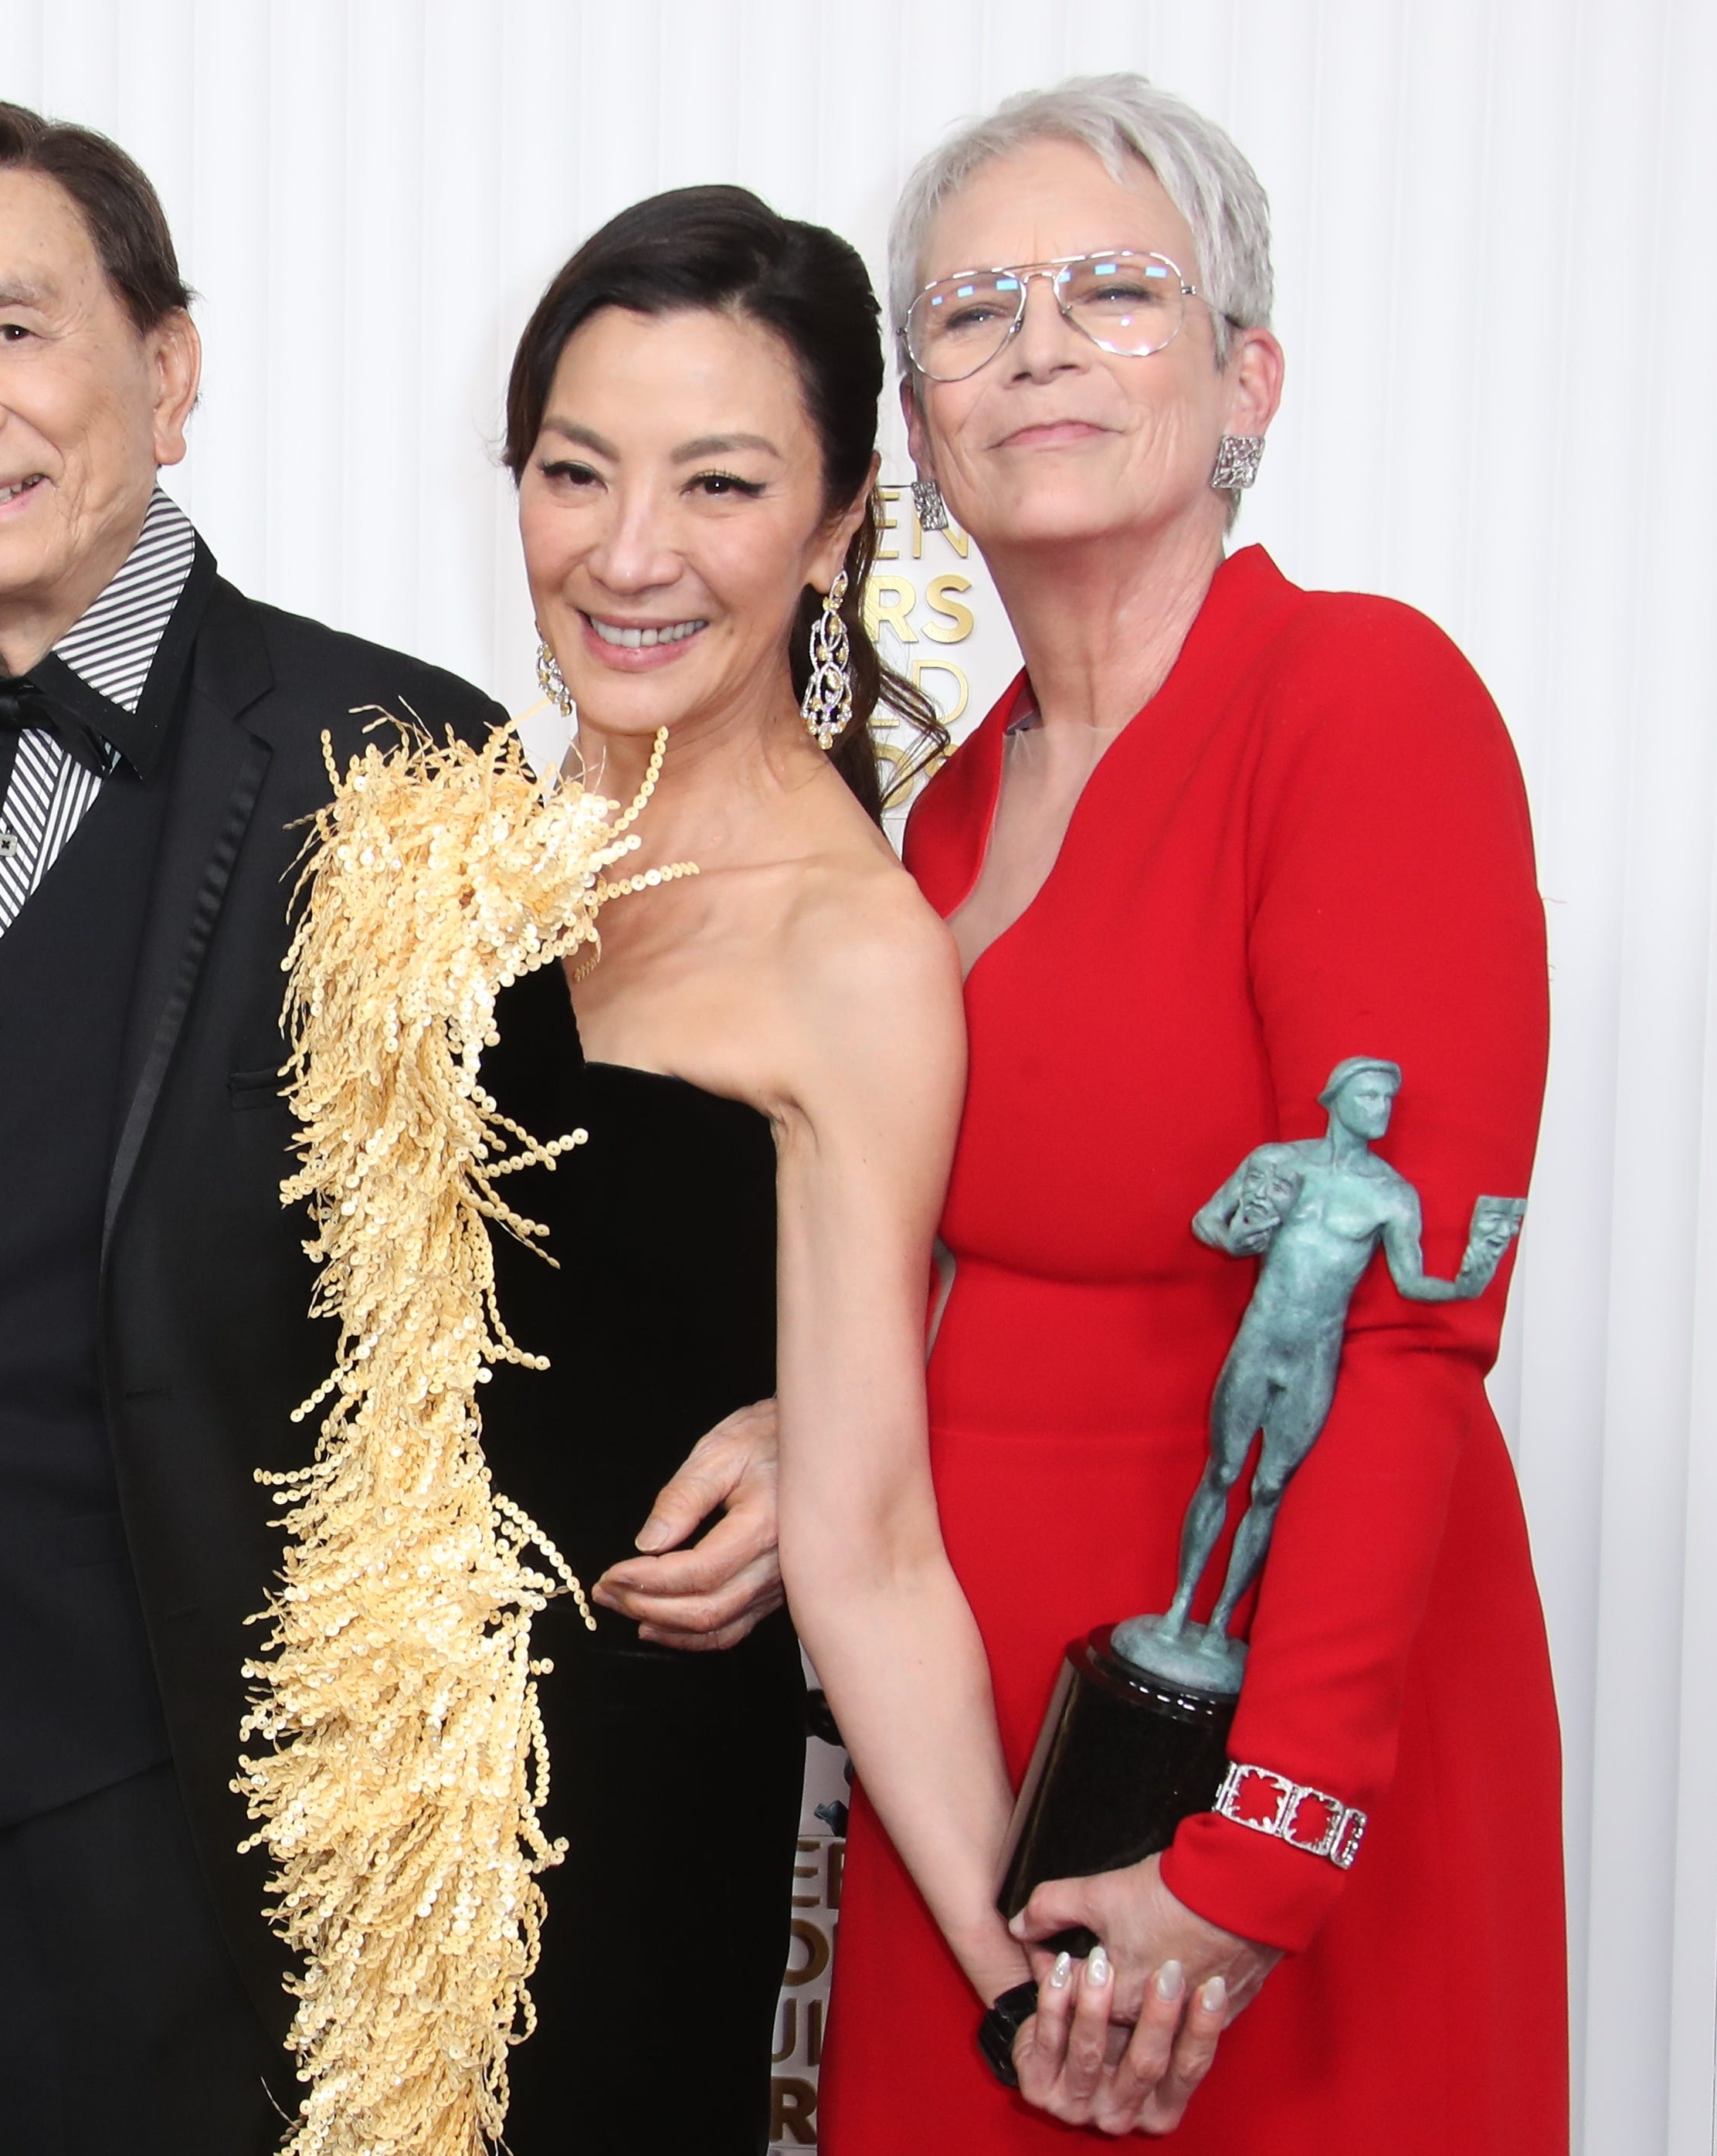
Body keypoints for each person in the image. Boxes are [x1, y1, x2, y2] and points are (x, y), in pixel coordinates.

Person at [0, 101, 789, 2154]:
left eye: (11, 333)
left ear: (166, 367)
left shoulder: (393, 753)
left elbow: (527, 1272)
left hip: (155, 1808)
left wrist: (809, 1418)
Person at [816, 75, 1561, 2148]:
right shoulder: (933, 820)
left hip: (1269, 1745)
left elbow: (1401, 1319)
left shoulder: (1358, 703)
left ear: (1246, 381)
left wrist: (1258, 1856)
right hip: (968, 1764)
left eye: (1113, 292)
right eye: (970, 311)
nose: (1037, 345)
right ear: (918, 418)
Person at [402, 183, 1030, 2147]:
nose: (628, 553)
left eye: (721, 485)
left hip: (611, 1822)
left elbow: (870, 1542)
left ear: (840, 519)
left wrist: (1019, 1975)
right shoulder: (446, 846)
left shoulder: (850, 950)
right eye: (575, 470)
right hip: (338, 1774)